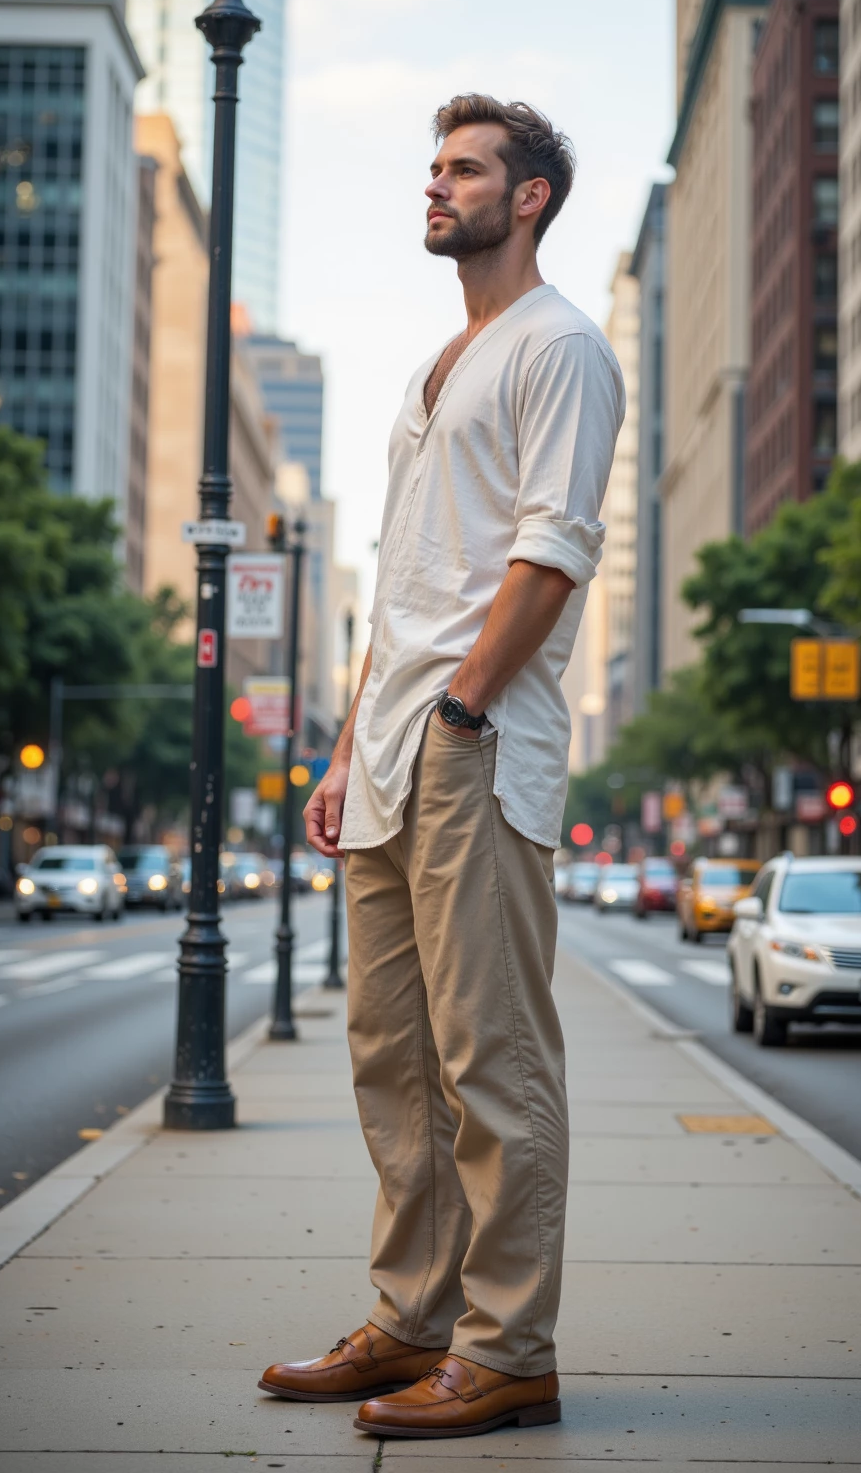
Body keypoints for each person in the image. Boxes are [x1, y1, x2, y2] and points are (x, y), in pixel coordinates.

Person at [258, 93, 625, 1440]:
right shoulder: (435, 367)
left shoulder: (561, 346)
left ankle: (510, 1347)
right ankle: (412, 1318)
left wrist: (459, 714)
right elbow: (404, 589)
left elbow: (554, 550)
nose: (435, 184)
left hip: (474, 749)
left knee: (491, 1061)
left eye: (464, 169)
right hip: (389, 753)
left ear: (529, 198)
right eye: (433, 167)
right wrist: (349, 747)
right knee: (393, 1058)